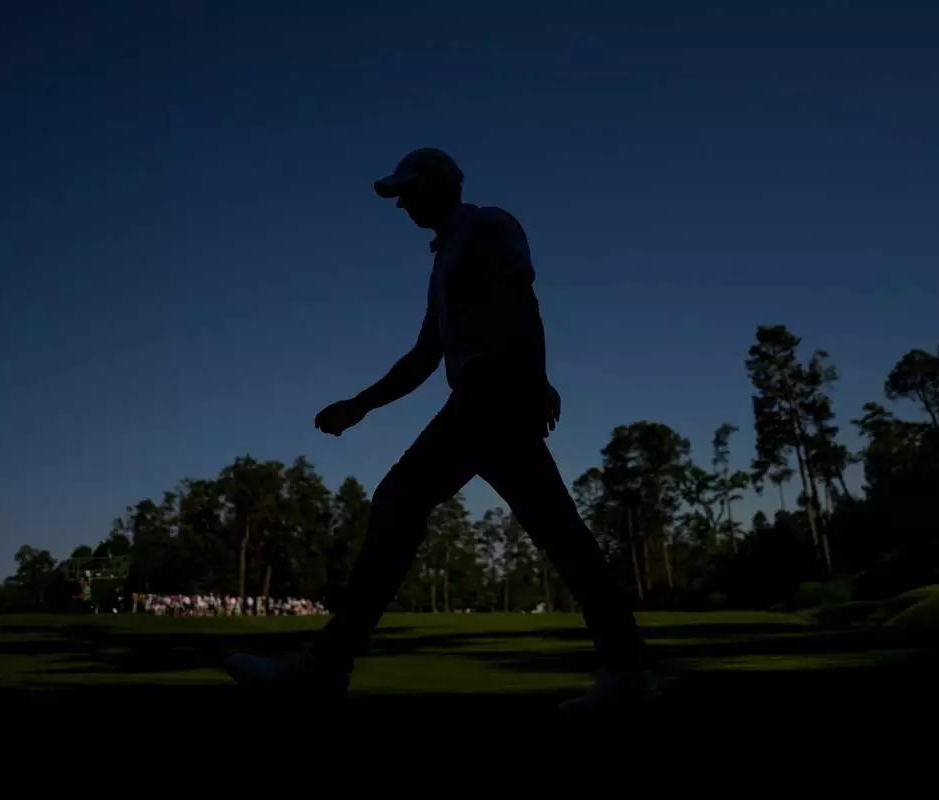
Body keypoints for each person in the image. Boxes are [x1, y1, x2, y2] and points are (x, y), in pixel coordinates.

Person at [225, 147, 654, 710]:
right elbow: (426, 354)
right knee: (557, 532)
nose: (401, 204)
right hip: (483, 395)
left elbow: (522, 303)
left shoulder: (488, 225)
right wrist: (361, 405)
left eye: (408, 191)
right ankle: (627, 671)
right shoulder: (444, 259)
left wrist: (533, 381)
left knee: (402, 501)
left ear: (440, 185)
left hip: (492, 393)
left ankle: (324, 667)